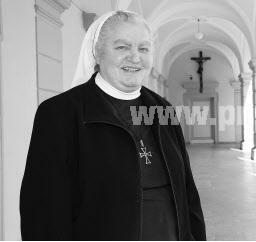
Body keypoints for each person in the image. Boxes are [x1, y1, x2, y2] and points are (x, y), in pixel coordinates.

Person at [20, 10, 206, 241]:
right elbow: (43, 210)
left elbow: (188, 193)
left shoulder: (163, 110)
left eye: (143, 48)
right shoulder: (60, 113)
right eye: (122, 47)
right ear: (97, 53)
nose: (135, 57)